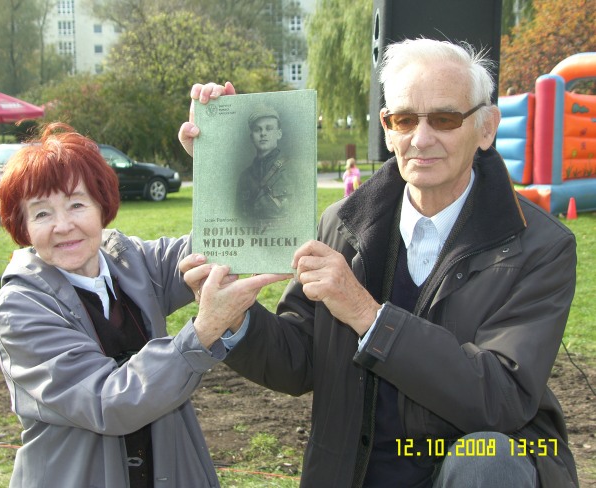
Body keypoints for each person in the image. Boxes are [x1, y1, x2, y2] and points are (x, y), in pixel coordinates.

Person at [179, 38, 579, 487]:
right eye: (404, 119)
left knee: (488, 457)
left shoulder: (539, 246)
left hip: (474, 472)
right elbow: (299, 361)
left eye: (444, 119)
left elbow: (501, 397)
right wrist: (236, 317)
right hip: (357, 474)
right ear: (387, 129)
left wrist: (369, 317)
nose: (421, 139)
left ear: (486, 128)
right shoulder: (342, 224)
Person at [0, 122, 285, 488]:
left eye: (76, 204)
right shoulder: (20, 308)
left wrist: (215, 155)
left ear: (101, 206)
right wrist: (204, 332)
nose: (63, 226)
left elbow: (221, 240)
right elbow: (108, 402)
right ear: (23, 226)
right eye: (41, 213)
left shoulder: (130, 260)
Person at [236, 104, 293, 221]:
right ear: (252, 137)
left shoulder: (293, 169)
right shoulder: (245, 177)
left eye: (269, 128)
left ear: (279, 134)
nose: (263, 133)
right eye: (257, 129)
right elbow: (237, 217)